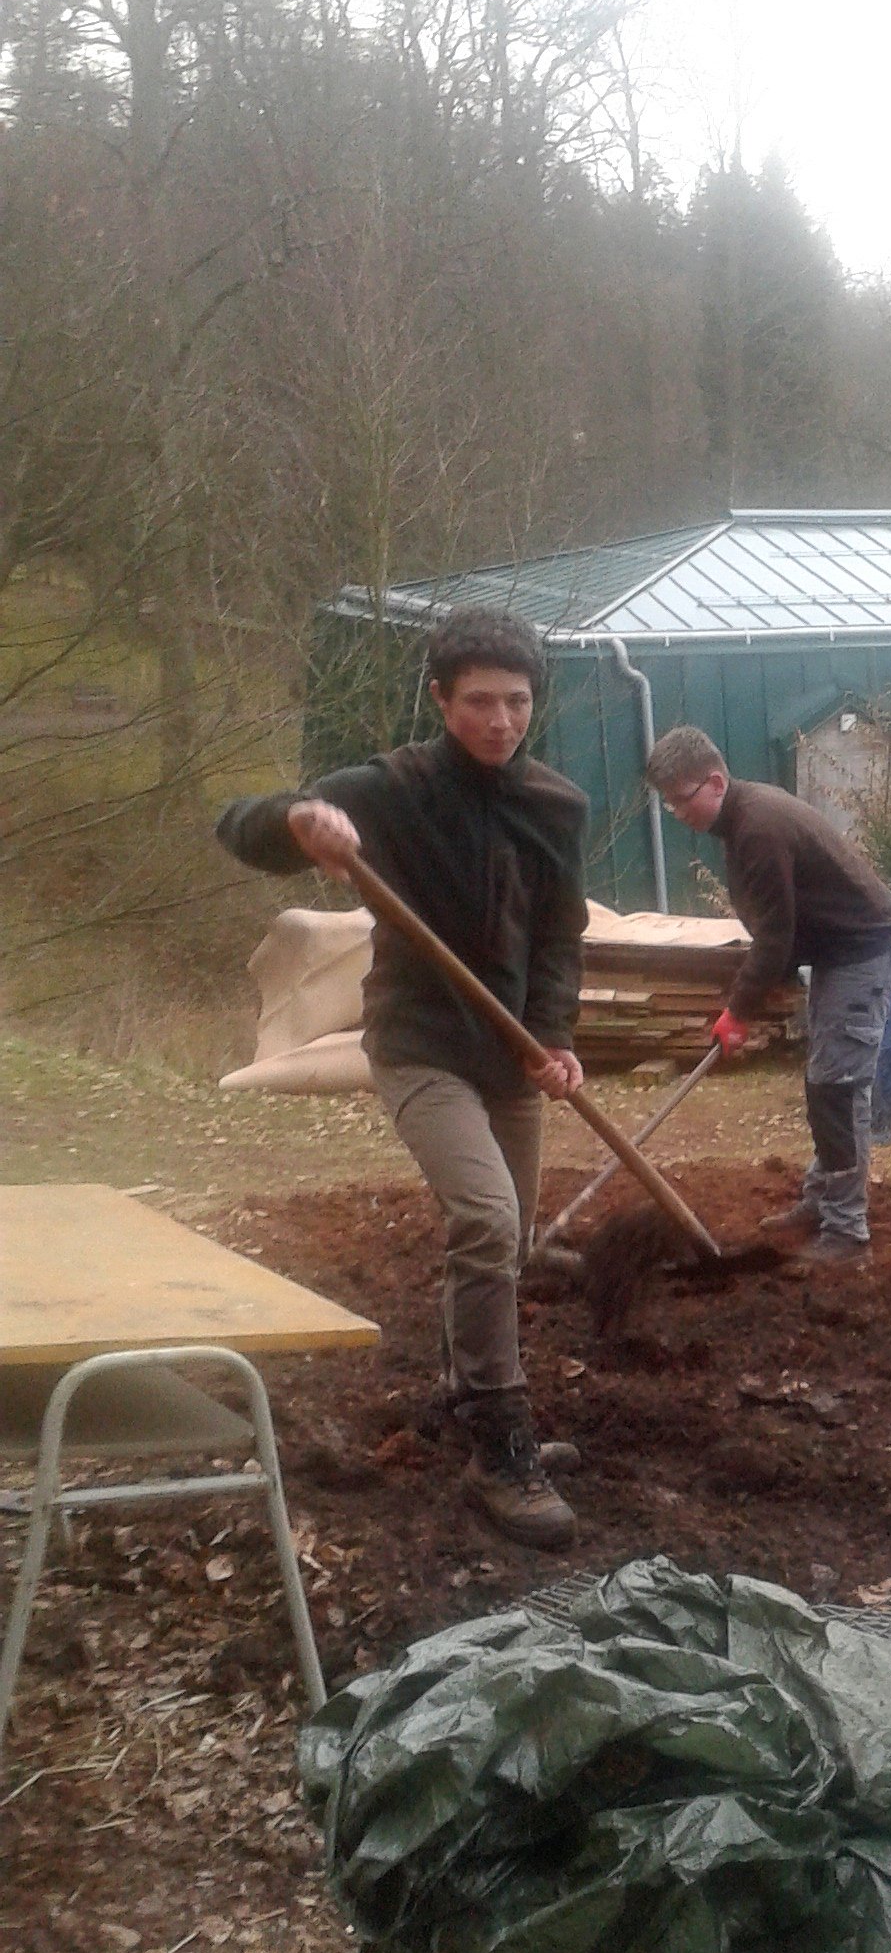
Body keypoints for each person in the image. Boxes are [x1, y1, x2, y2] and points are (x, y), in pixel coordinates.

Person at [216, 609, 587, 1547]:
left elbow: (559, 936)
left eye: (516, 702)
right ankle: (500, 1447)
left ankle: (469, 1392)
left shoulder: (556, 805)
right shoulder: (392, 790)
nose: (500, 721)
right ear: (439, 700)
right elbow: (241, 823)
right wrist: (298, 822)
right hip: (420, 1045)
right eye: (479, 702)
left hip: (510, 1053)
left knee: (508, 1240)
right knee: (487, 1219)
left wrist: (551, 1036)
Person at [645, 726, 891, 1268]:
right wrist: (756, 993)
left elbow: (776, 934)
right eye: (668, 803)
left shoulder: (758, 827)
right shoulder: (743, 818)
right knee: (825, 1082)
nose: (677, 813)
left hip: (862, 955)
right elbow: (779, 920)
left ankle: (847, 1230)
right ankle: (821, 1199)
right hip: (837, 954)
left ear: (715, 782)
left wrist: (738, 1011)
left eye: (681, 799)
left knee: (837, 1091)